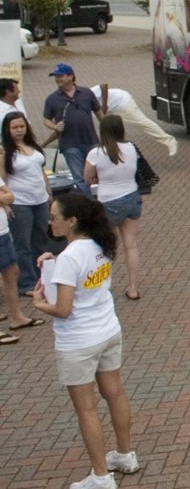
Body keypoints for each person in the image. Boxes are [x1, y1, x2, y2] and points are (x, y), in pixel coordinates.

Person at [30, 193, 139, 489]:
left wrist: (39, 305)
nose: (50, 221)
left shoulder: (69, 258)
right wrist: (56, 262)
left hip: (78, 341)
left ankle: (101, 477)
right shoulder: (100, 245)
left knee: (86, 409)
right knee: (115, 393)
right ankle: (124, 455)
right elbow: (84, 276)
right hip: (108, 330)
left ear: (72, 221)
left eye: (54, 217)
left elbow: (63, 309)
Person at [84, 116, 143, 301]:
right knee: (131, 245)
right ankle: (133, 287)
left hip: (109, 201)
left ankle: (104, 286)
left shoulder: (96, 153)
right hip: (132, 197)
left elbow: (87, 178)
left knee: (105, 246)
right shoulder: (131, 147)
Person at [3, 111, 53, 303]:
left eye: (21, 126)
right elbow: (3, 179)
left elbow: (41, 171)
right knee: (23, 243)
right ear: (7, 130)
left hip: (40, 200)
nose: (19, 131)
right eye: (14, 128)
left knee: (40, 239)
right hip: (20, 202)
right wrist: (6, 204)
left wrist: (49, 194)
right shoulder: (5, 151)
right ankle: (26, 283)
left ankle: (41, 278)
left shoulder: (33, 146)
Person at [42, 63, 101, 196]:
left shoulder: (86, 93)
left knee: (99, 173)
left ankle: (101, 203)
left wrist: (109, 131)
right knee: (79, 178)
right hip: (69, 144)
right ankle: (88, 206)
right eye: (56, 76)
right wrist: (55, 126)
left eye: (60, 76)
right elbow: (46, 120)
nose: (57, 79)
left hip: (91, 141)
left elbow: (99, 113)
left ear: (71, 76)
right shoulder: (52, 99)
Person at [91, 83, 178, 157]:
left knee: (142, 122)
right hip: (110, 110)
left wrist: (104, 105)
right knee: (104, 131)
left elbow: (103, 86)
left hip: (122, 102)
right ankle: (118, 154)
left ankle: (170, 141)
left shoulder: (85, 94)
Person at [0, 175, 28, 344]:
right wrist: (3, 198)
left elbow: (11, 195)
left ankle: (17, 317)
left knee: (12, 272)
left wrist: (3, 198)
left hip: (2, 231)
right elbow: (6, 196)